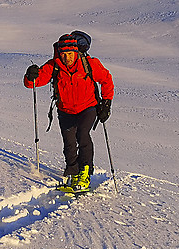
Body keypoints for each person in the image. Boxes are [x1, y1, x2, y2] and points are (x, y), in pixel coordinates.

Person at [23, 33, 114, 191]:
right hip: (65, 110)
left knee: (83, 135)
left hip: (88, 107)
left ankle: (85, 172)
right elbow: (32, 84)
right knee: (69, 142)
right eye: (63, 54)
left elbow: (106, 79)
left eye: (70, 54)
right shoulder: (54, 65)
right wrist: (30, 76)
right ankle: (73, 172)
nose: (67, 57)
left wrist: (106, 103)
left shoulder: (89, 64)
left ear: (76, 52)